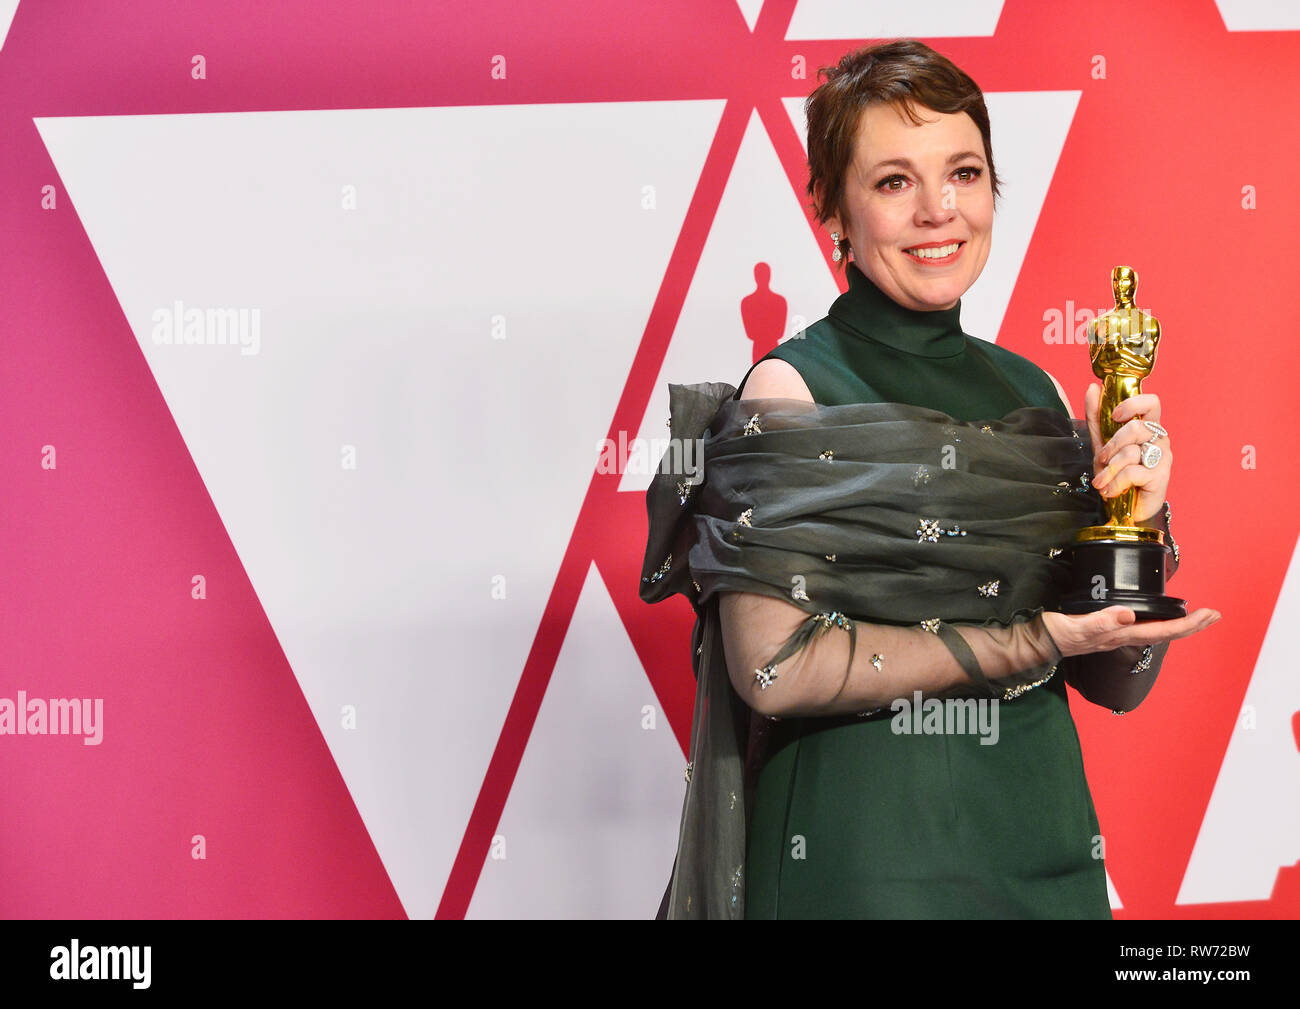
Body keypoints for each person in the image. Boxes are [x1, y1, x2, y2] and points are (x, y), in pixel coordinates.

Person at [639, 39, 1219, 919]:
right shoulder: (791, 388)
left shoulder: (1039, 391)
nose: (940, 210)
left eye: (965, 172)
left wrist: (1139, 509)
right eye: (894, 181)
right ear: (833, 210)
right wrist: (1032, 642)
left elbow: (1118, 679)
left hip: (1047, 851)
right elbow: (773, 669)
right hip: (860, 863)